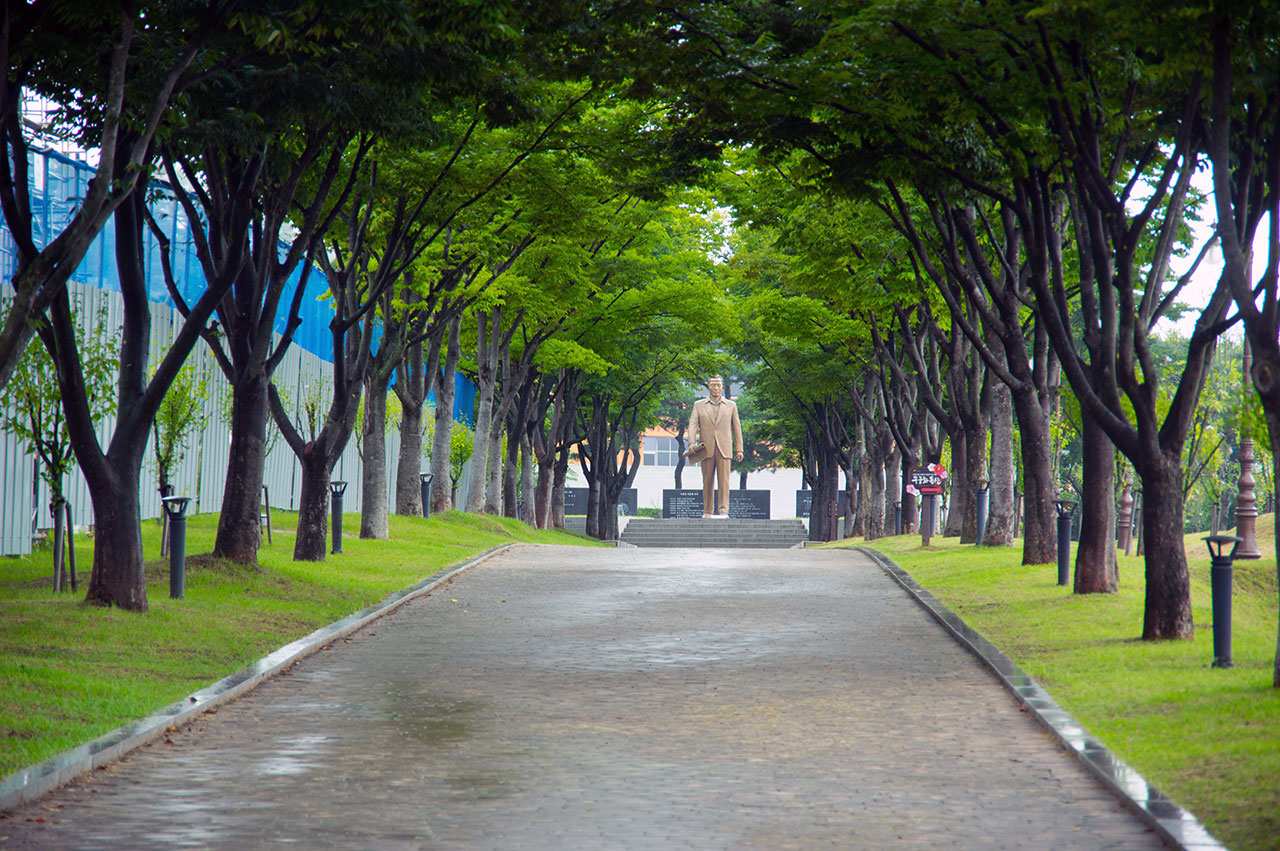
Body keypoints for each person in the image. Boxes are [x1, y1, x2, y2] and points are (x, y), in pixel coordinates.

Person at [686, 375, 744, 517]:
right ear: (708, 386)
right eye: (713, 385)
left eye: (718, 385)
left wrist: (739, 449)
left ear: (722, 387)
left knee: (724, 482)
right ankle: (707, 511)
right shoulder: (698, 405)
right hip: (706, 448)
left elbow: (737, 428)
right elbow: (693, 424)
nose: (716, 388)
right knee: (707, 481)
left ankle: (724, 510)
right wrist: (692, 443)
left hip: (725, 448)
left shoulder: (731, 406)